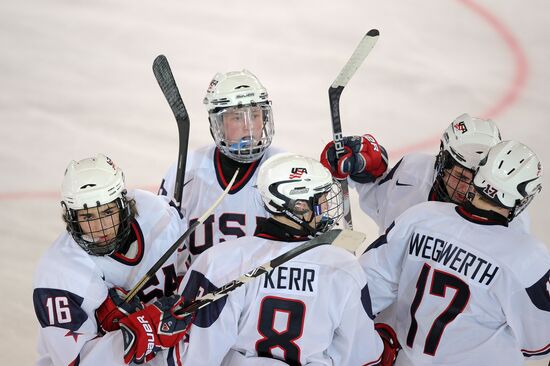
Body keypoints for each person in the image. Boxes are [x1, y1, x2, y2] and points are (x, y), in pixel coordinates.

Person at [171, 153, 399, 365]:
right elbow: (361, 357)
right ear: (299, 206)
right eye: (321, 199)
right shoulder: (343, 268)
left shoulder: (220, 262)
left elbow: (196, 358)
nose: (328, 207)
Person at [360, 140, 550, 365]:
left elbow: (363, 291)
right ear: (523, 196)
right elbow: (540, 343)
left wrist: (365, 344)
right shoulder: (526, 257)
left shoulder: (421, 217)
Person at [32, 154, 190, 365]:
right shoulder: (59, 273)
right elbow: (75, 361)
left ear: (123, 204)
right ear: (72, 217)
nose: (100, 227)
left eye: (108, 211)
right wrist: (139, 333)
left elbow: (185, 262)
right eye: (88, 216)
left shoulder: (155, 214)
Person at [321, 113, 531, 235]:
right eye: (461, 176)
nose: (468, 189)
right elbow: (381, 205)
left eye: (477, 180)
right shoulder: (413, 172)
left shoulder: (505, 217)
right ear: (443, 163)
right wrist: (366, 170)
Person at [159, 69, 283, 265]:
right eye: (236, 117)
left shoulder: (285, 170)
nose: (248, 127)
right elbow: (163, 246)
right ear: (216, 123)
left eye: (255, 115)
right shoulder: (187, 172)